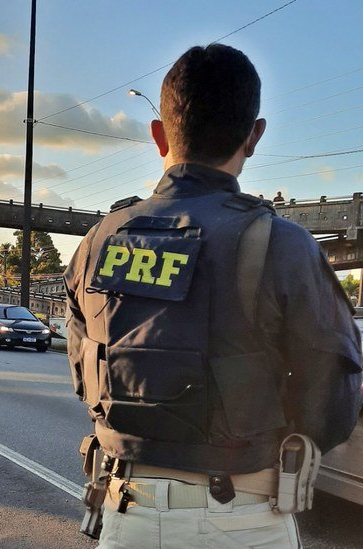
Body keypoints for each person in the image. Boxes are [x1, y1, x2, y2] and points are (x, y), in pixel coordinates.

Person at [64, 44, 362, 549]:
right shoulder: (281, 245)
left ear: (159, 134)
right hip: (244, 518)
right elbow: (333, 399)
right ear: (254, 135)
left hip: (125, 513)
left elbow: (83, 374)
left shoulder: (98, 242)